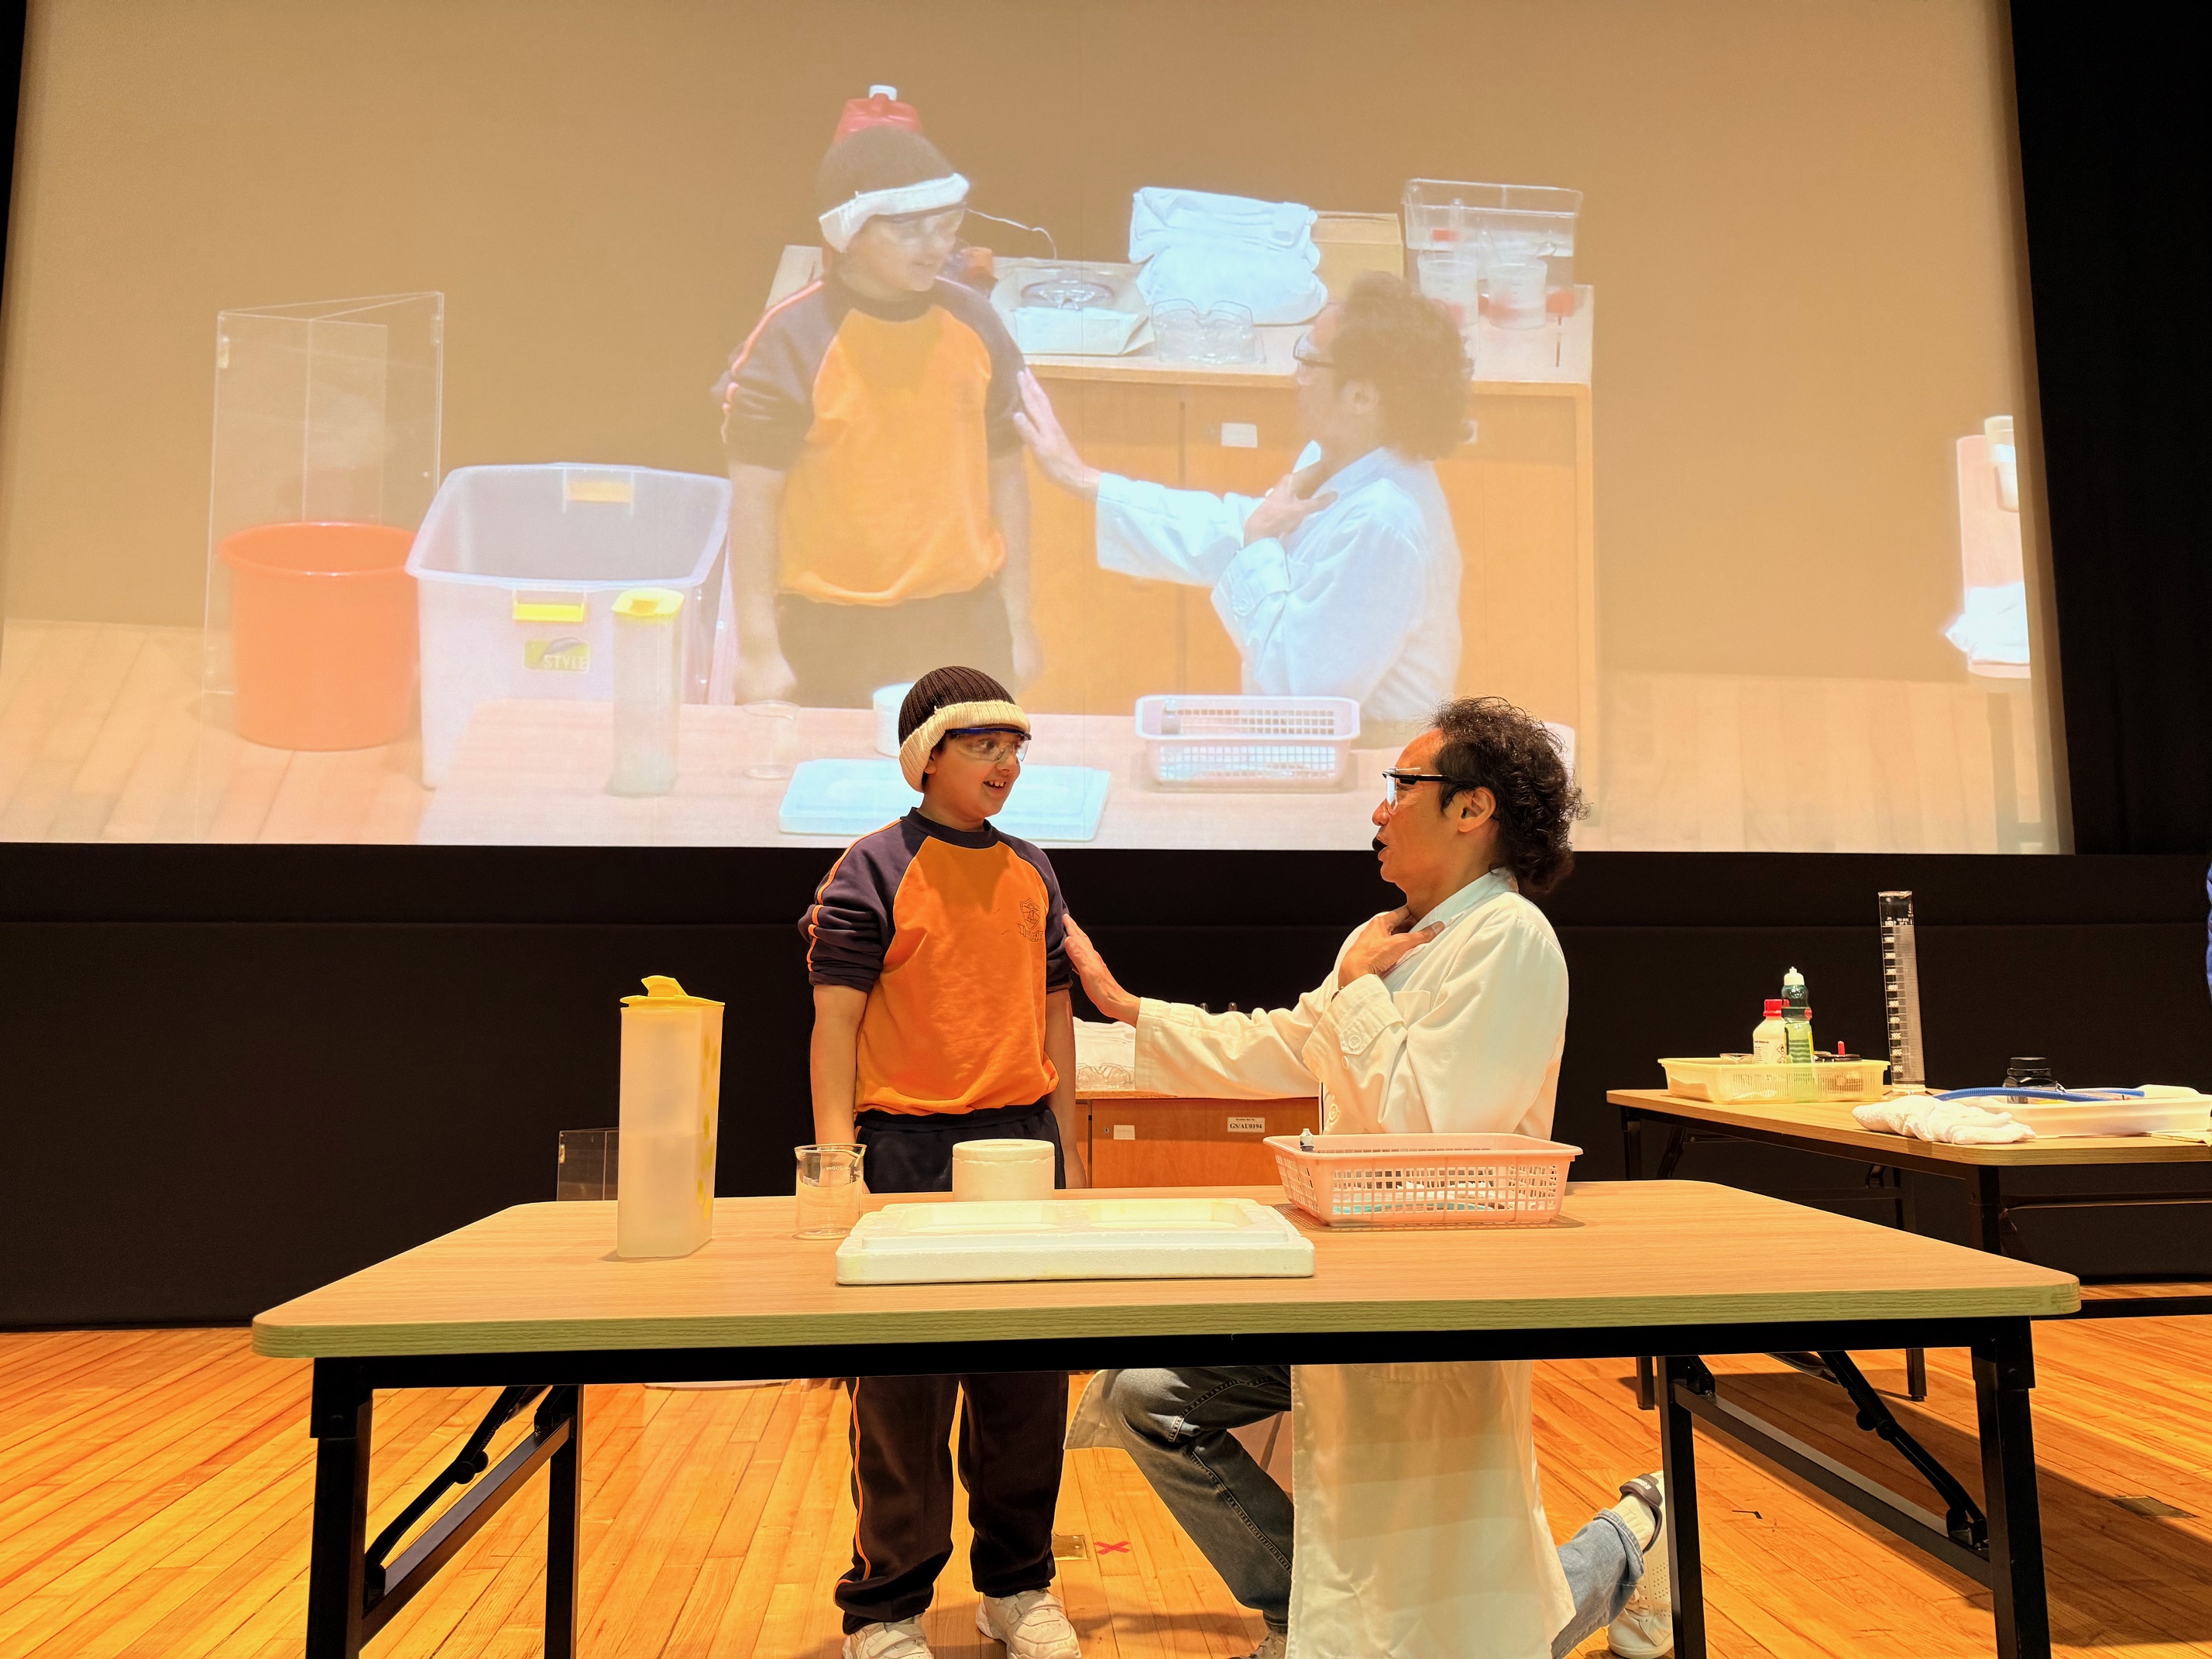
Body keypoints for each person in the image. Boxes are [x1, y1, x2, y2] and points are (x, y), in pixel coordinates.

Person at [1062, 696, 1671, 1659]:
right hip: (1348, 1288)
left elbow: (1429, 1128)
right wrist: (1126, 1013)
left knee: (1459, 1610)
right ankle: (1301, 1614)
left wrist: (1354, 992)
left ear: (1472, 808)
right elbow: (1284, 1045)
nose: (1379, 809)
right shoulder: (1387, 935)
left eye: (1400, 786)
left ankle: (1635, 1539)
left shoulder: (1510, 938)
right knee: (1149, 1395)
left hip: (1440, 1302)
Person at [802, 665, 1088, 1659]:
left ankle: (1018, 1587)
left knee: (1026, 1390)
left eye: (1015, 748)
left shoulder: (1033, 869)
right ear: (926, 757)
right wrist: (836, 1165)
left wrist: (1070, 1158)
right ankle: (885, 1609)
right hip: (907, 1150)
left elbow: (1055, 1021)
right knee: (902, 1394)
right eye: (982, 746)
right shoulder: (871, 868)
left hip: (1021, 1148)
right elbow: (834, 1028)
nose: (1006, 765)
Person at [1015, 272, 1465, 744]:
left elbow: (1304, 702)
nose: (1297, 376)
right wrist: (1084, 480)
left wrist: (1259, 545)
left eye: (1309, 361)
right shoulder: (1337, 461)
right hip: (1315, 747)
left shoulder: (1385, 519)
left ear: (1362, 396)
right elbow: (1231, 529)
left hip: (1378, 762)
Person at [718, 122, 1042, 707]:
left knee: (971, 770)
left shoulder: (976, 324)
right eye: (909, 229)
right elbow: (753, 498)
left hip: (964, 619)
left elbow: (1008, 478)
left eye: (947, 224)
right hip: (830, 628)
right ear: (852, 233)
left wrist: (1018, 624)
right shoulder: (791, 338)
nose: (935, 246)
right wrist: (758, 650)